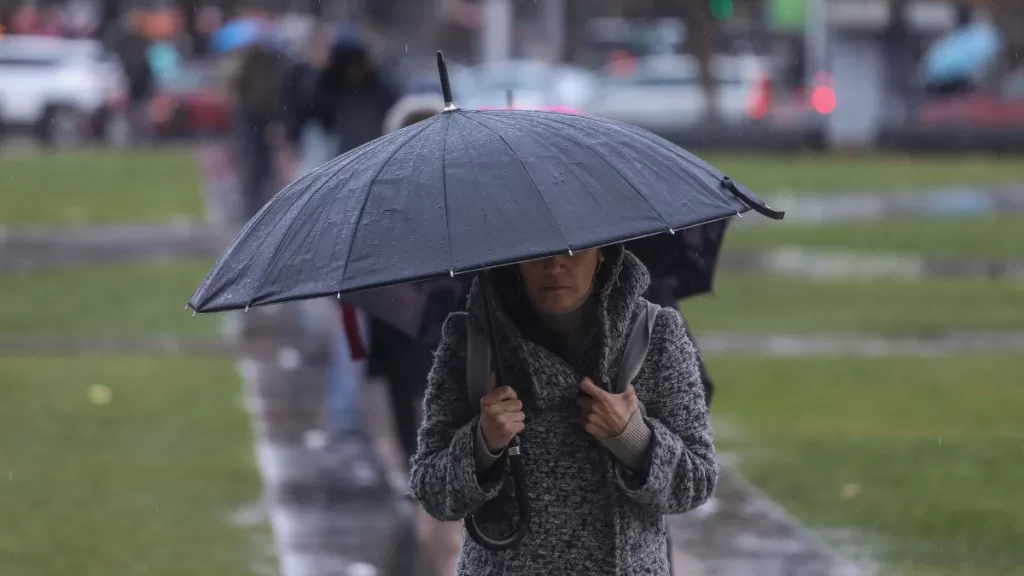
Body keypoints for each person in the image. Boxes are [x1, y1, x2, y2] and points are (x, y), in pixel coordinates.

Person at [409, 245, 718, 575]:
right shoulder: (472, 339)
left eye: (574, 251)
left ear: (603, 252)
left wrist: (633, 439)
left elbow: (696, 481)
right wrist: (482, 445)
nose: (554, 265)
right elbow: (431, 491)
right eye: (537, 251)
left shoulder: (654, 334)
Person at [230, 40, 289, 221]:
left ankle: (258, 204)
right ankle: (254, 205)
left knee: (261, 164)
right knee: (257, 163)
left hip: (261, 118)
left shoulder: (268, 68)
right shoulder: (264, 67)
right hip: (255, 117)